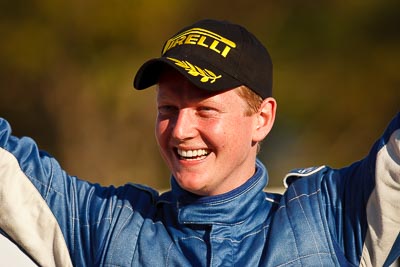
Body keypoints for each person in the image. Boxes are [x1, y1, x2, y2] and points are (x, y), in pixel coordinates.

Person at [0, 18, 399, 267]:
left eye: (205, 111)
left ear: (262, 119)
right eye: (167, 109)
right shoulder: (107, 224)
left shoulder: (333, 216)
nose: (179, 131)